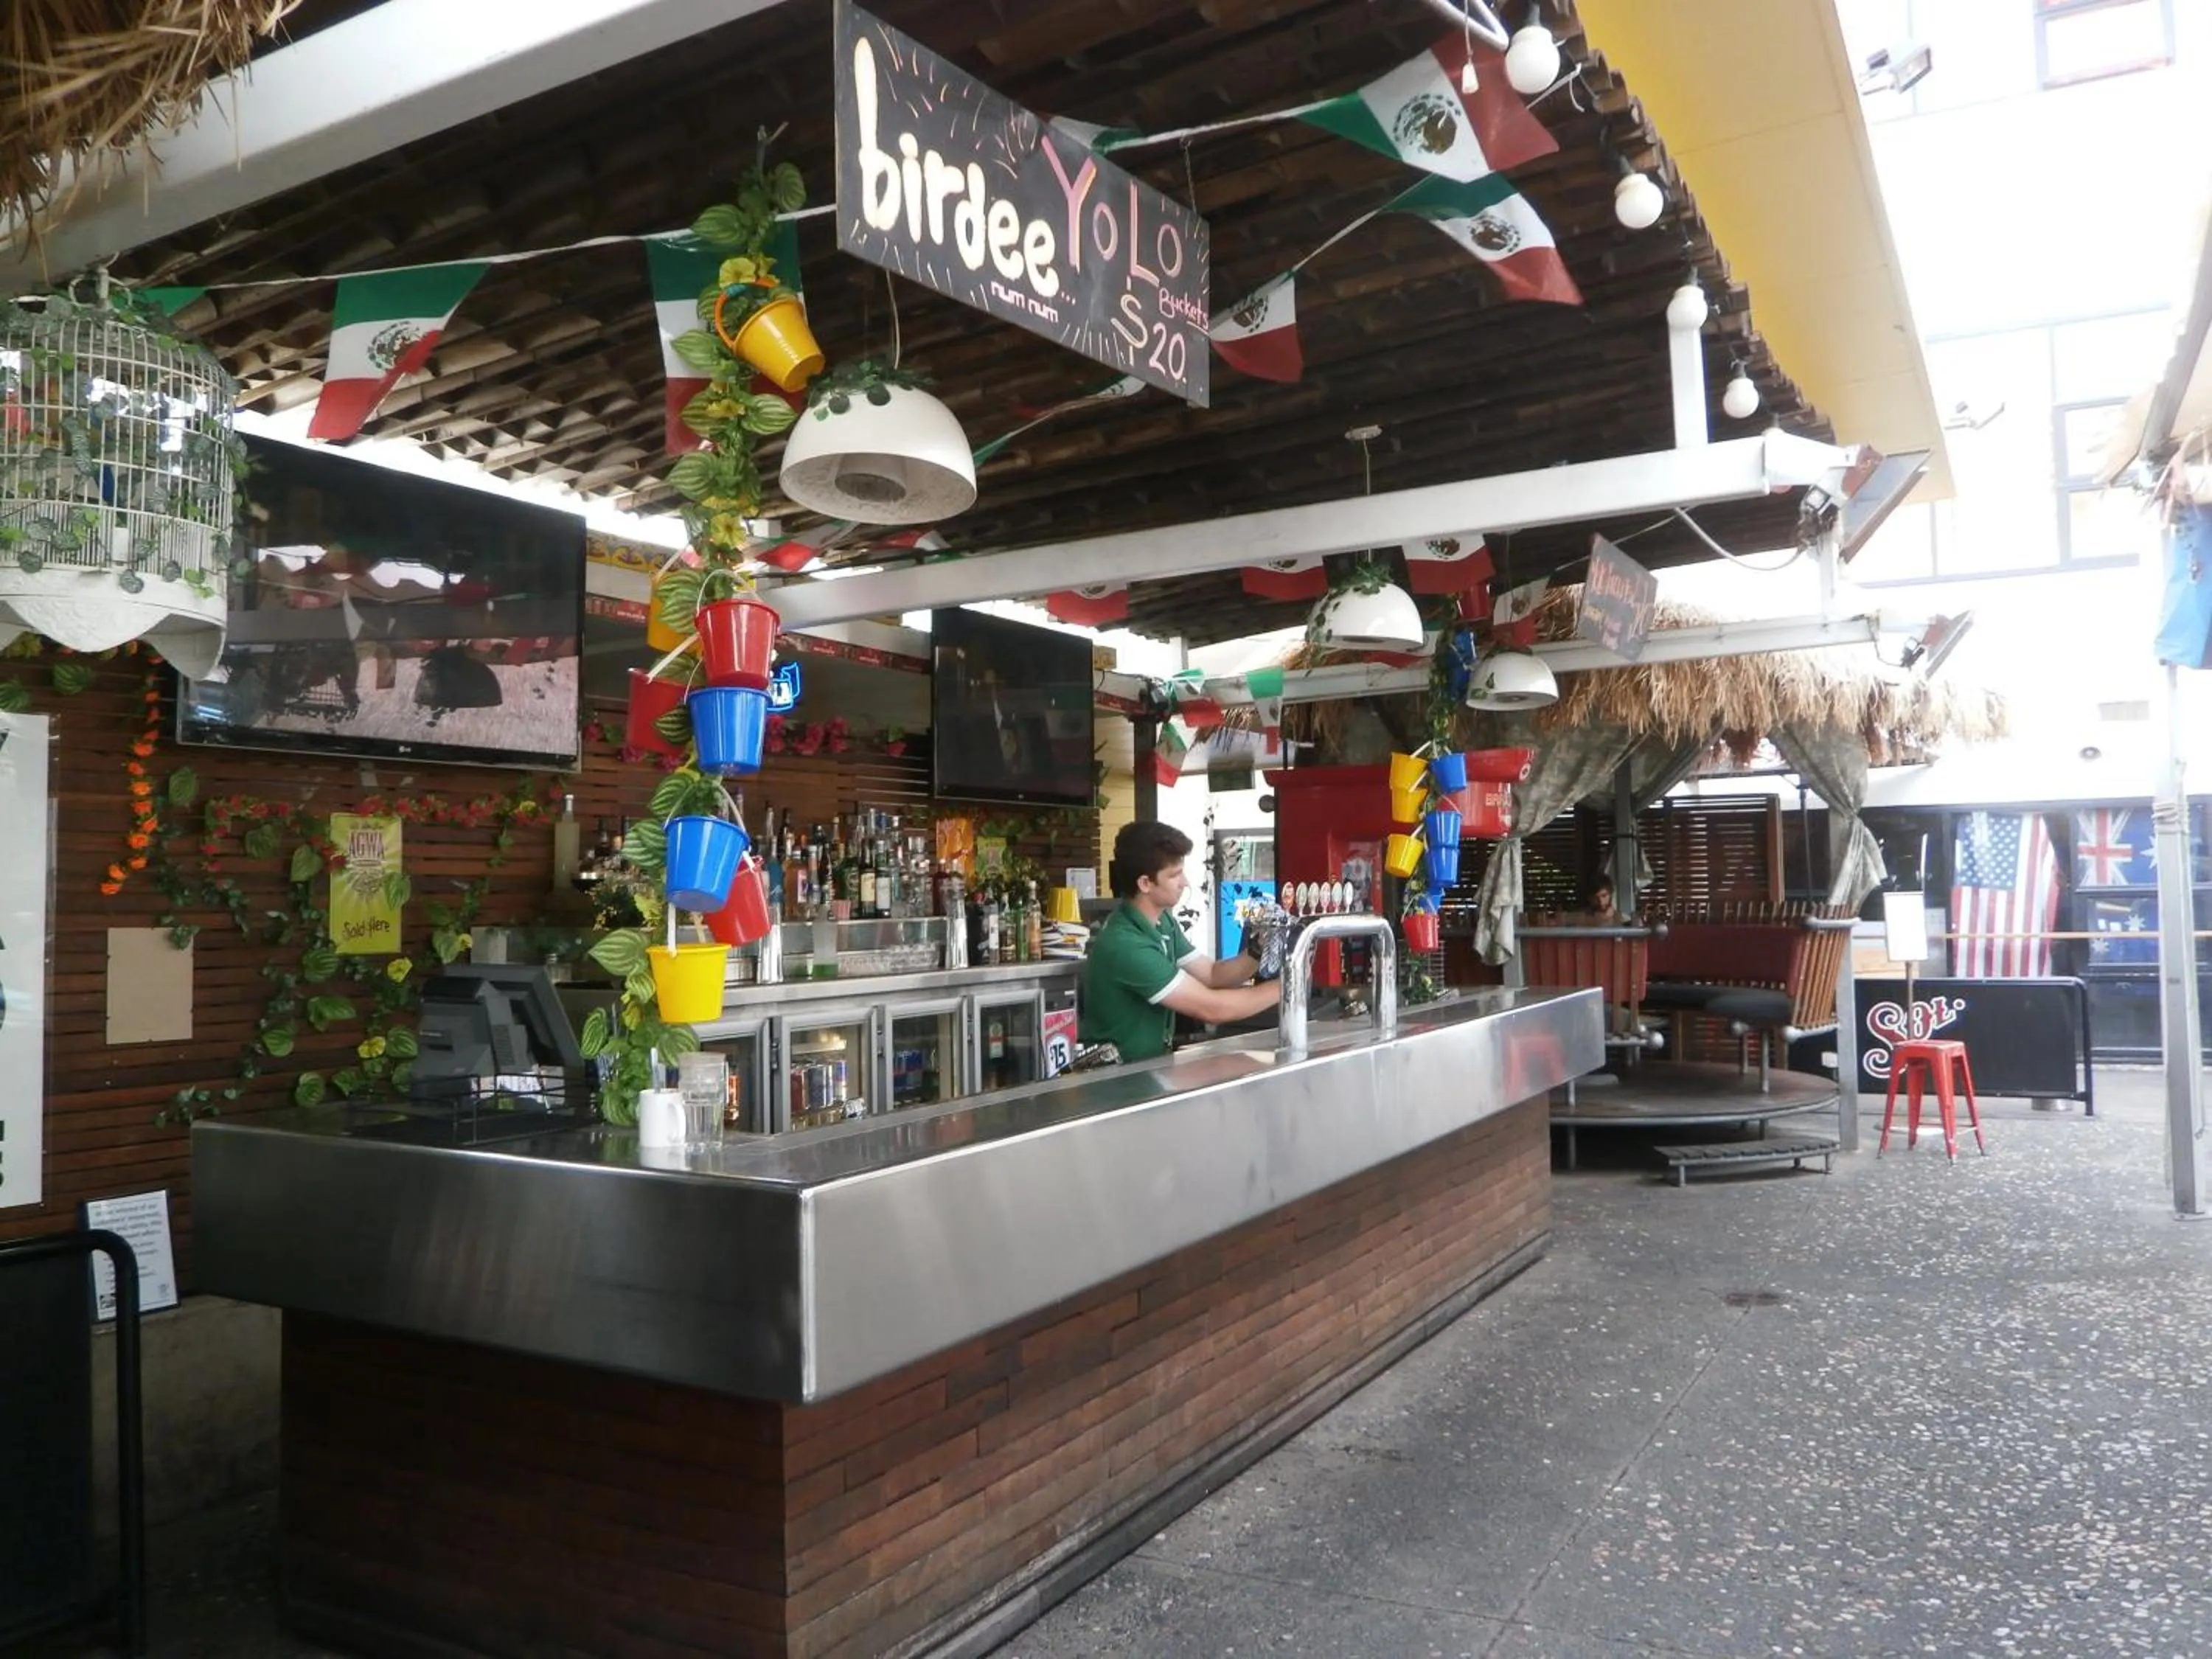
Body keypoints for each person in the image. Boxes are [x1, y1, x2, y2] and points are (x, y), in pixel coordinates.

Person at [1079, 821, 1281, 1062]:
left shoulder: (1163, 922)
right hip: (1120, 1078)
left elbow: (1212, 974)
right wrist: (1288, 986)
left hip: (1151, 1068)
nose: (1185, 882)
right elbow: (1212, 1008)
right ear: (1145, 883)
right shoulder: (1126, 946)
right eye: (1174, 875)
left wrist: (1258, 949)